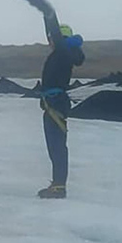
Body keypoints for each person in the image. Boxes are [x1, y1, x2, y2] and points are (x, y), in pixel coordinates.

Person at [38, 22, 85, 199]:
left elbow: (56, 36)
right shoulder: (62, 54)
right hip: (54, 103)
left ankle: (59, 186)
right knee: (54, 145)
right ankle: (57, 184)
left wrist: (49, 14)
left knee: (56, 145)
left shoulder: (62, 53)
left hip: (56, 104)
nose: (49, 41)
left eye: (51, 38)